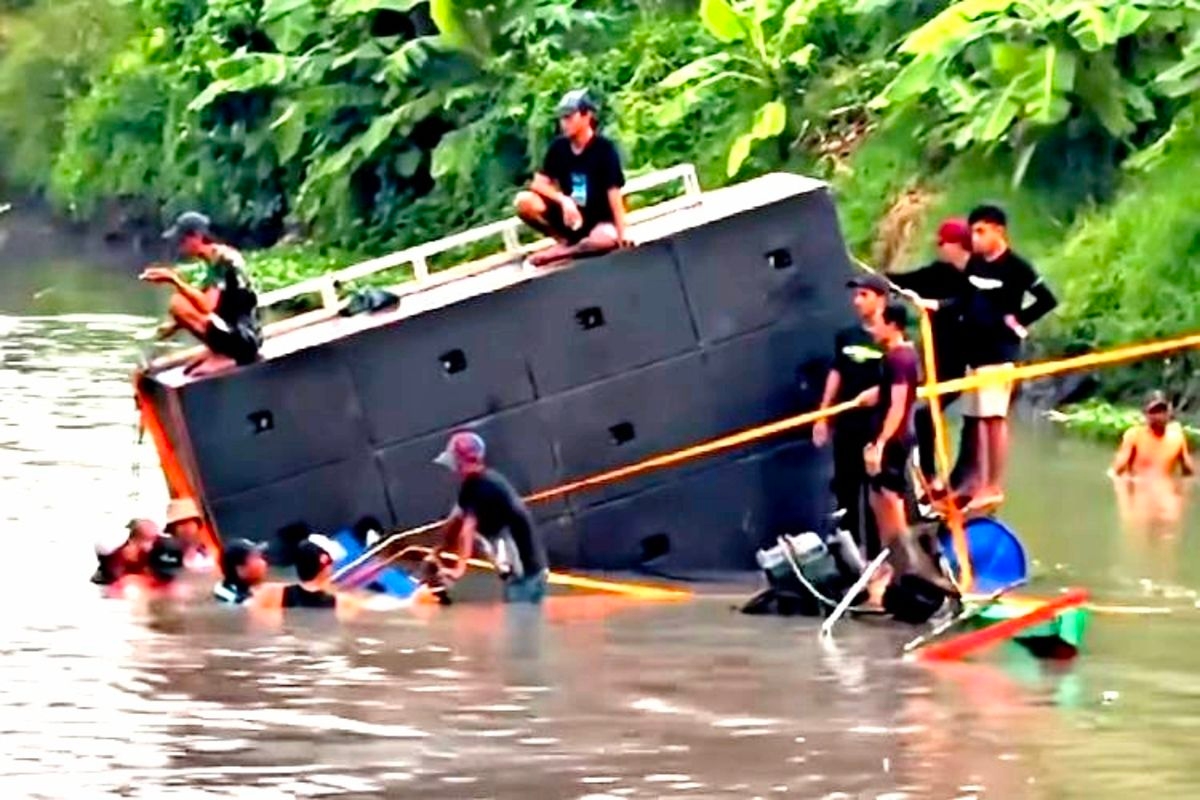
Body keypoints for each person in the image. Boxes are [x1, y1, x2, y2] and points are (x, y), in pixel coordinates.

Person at [960, 205, 1057, 506]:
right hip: (973, 352)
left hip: (999, 352)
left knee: (993, 419)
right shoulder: (974, 264)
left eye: (981, 231)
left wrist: (1019, 320)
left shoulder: (1017, 267)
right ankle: (974, 481)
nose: (975, 238)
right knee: (974, 419)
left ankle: (994, 485)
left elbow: (1047, 299)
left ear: (999, 231)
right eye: (972, 231)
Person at [888, 218, 975, 495]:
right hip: (938, 360)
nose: (938, 248)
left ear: (957, 244)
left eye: (942, 243)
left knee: (937, 416)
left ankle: (950, 479)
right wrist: (882, 280)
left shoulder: (978, 275)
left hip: (969, 362)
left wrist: (937, 305)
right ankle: (929, 476)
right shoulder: (939, 272)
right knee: (925, 416)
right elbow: (907, 281)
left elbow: (967, 301)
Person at [423, 431, 549, 604]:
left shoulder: (479, 488)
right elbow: (455, 520)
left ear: (459, 461)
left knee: (520, 621)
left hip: (525, 574)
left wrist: (459, 570)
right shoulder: (482, 483)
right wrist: (436, 552)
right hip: (527, 570)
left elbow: (466, 531)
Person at [813, 274, 889, 556]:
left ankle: (879, 553)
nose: (857, 301)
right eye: (855, 295)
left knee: (876, 493)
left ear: (880, 299)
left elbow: (903, 382)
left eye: (864, 295)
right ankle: (850, 551)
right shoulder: (846, 336)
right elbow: (836, 373)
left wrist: (879, 394)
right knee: (845, 488)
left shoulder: (891, 339)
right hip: (847, 425)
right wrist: (823, 415)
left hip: (876, 427)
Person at [515, 89, 630, 268]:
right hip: (570, 218)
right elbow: (538, 184)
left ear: (586, 116)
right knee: (524, 202)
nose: (564, 123)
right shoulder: (558, 148)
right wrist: (563, 200)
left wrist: (623, 234)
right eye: (562, 118)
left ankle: (563, 253)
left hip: (599, 220)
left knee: (604, 240)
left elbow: (614, 193)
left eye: (569, 117)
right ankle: (563, 241)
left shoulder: (604, 149)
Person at [140, 211, 261, 377]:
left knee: (178, 303)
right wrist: (174, 326)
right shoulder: (214, 259)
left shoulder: (223, 261)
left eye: (182, 240)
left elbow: (206, 306)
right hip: (241, 334)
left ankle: (224, 355)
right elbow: (207, 299)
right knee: (180, 305)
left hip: (243, 341)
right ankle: (218, 351)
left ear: (197, 237)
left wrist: (174, 280)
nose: (179, 245)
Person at [1110, 391, 1195, 479]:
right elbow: (1116, 472)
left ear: (1169, 412)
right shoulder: (1134, 435)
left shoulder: (1177, 437)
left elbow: (1189, 474)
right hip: (1139, 485)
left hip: (1164, 485)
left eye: (1163, 410)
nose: (1160, 415)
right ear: (1145, 413)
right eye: (1155, 410)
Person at [213, 539, 269, 605]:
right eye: (256, 557)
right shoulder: (239, 600)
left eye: (261, 557)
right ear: (240, 569)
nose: (263, 563)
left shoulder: (247, 588)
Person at [164, 497, 214, 571]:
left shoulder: (213, 550)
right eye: (180, 523)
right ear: (172, 530)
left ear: (198, 524)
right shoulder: (168, 558)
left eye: (189, 522)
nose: (186, 528)